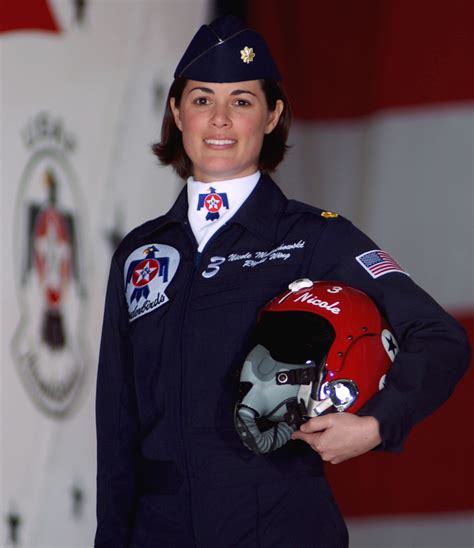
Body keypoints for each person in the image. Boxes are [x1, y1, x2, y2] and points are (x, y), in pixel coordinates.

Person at [95, 15, 470, 548]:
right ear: (177, 112)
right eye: (202, 99)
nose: (219, 119)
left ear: (272, 116)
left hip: (278, 523)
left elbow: (440, 338)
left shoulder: (316, 238)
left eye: (242, 101)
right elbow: (117, 426)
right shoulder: (140, 254)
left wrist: (376, 425)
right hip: (160, 530)